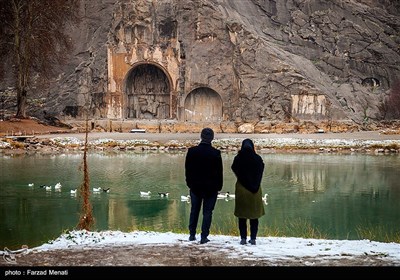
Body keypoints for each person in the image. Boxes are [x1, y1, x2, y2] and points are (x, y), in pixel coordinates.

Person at [185, 127, 223, 244]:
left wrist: (190, 184)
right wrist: (218, 187)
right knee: (207, 212)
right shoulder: (216, 153)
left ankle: (192, 234)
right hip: (211, 188)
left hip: (195, 187)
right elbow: (219, 172)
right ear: (212, 138)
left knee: (194, 210)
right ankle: (204, 236)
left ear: (201, 137)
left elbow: (188, 170)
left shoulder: (192, 151)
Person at [231, 138, 265, 245]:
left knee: (242, 216)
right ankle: (253, 238)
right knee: (254, 216)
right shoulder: (258, 159)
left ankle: (243, 238)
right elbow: (261, 169)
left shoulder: (238, 158)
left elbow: (234, 168)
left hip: (242, 189)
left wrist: (241, 177)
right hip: (255, 191)